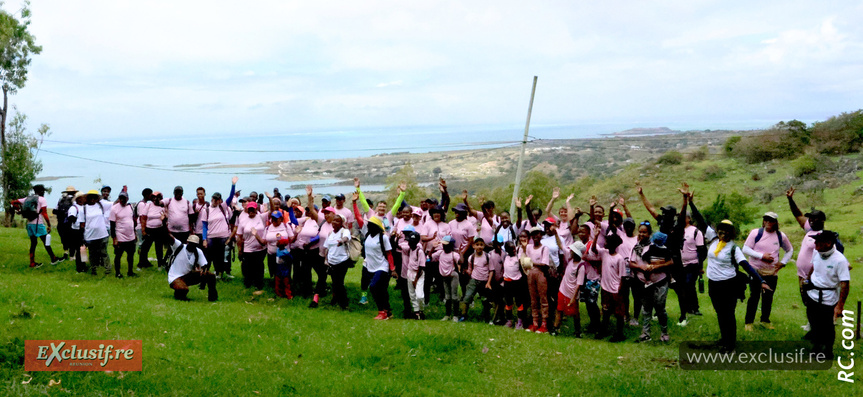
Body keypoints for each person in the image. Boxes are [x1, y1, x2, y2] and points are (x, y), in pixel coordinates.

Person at [706, 220, 771, 353]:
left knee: (728, 315)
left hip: (728, 284)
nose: (723, 235)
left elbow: (746, 266)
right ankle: (725, 339)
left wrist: (761, 281)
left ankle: (730, 345)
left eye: (727, 233)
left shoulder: (733, 248)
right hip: (713, 283)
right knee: (720, 313)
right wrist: (689, 202)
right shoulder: (713, 241)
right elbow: (701, 221)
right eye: (721, 232)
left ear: (731, 234)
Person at [785, 186, 843, 331]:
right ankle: (812, 325)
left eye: (814, 218)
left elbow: (834, 254)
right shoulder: (809, 230)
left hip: (815, 275)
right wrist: (790, 199)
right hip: (802, 275)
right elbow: (797, 215)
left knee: (818, 302)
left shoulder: (824, 236)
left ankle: (825, 325)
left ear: (822, 220)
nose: (811, 220)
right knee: (808, 301)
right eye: (810, 217)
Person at [742, 211, 794, 331]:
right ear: (763, 221)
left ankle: (765, 320)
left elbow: (789, 250)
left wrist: (783, 262)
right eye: (766, 220)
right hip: (756, 270)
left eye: (771, 220)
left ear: (776, 222)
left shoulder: (780, 236)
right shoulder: (756, 233)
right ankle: (749, 322)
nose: (768, 223)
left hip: (771, 272)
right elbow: (745, 248)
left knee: (768, 297)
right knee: (754, 296)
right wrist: (761, 256)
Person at [803, 231, 851, 358]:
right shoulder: (817, 253)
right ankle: (817, 346)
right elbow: (813, 267)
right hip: (813, 293)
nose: (815, 244)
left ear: (828, 243)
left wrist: (840, 306)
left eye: (818, 242)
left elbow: (845, 283)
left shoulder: (839, 260)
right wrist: (807, 281)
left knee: (827, 326)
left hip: (828, 297)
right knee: (814, 322)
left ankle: (827, 350)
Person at [630, 230, 672, 342]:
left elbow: (670, 262)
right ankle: (646, 333)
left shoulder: (665, 250)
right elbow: (640, 260)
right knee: (646, 308)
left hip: (660, 281)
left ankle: (664, 332)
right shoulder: (645, 248)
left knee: (660, 307)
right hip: (646, 282)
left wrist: (656, 267)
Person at [589, 224, 627, 342]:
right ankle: (603, 331)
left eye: (607, 242)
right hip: (605, 288)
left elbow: (623, 276)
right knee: (605, 310)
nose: (604, 243)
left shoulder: (619, 259)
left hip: (615, 290)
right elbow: (594, 249)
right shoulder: (604, 253)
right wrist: (595, 237)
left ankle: (619, 334)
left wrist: (620, 289)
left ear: (613, 245)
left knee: (618, 313)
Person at [13, 184, 62, 267]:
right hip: (38, 224)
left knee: (33, 243)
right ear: (41, 191)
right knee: (46, 241)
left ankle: (32, 262)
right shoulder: (42, 199)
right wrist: (49, 224)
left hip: (29, 224)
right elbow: (44, 213)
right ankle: (53, 259)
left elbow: (13, 202)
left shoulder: (27, 198)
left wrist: (18, 210)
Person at [358, 216, 395, 319]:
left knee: (373, 287)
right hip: (370, 267)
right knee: (382, 290)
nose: (368, 226)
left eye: (371, 225)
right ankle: (388, 311)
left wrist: (392, 269)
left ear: (376, 226)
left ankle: (381, 312)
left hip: (382, 266)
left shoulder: (383, 238)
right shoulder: (367, 236)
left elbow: (389, 253)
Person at [201, 177, 238, 279]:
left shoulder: (223, 207)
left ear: (219, 200)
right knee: (209, 256)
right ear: (211, 199)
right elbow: (204, 226)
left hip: (223, 237)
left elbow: (230, 197)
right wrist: (204, 239)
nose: (215, 201)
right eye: (214, 199)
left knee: (221, 256)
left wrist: (233, 185)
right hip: (211, 237)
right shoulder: (206, 210)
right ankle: (205, 273)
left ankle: (219, 273)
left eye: (217, 199)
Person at [167, 235, 217, 302]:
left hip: (187, 276)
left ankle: (212, 297)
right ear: (187, 242)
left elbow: (204, 264)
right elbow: (170, 237)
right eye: (191, 244)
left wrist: (203, 270)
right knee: (183, 289)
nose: (192, 246)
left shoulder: (198, 252)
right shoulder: (179, 246)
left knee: (210, 276)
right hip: (175, 277)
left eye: (194, 245)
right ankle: (179, 294)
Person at [553, 241, 587, 337]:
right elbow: (561, 245)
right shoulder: (570, 260)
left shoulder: (581, 266)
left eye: (573, 251)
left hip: (572, 293)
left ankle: (577, 331)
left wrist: (573, 298)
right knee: (559, 309)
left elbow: (579, 284)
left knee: (575, 313)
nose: (570, 252)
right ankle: (556, 328)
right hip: (563, 289)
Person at [459, 238, 494, 323]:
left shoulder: (487, 256)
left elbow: (491, 270)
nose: (479, 247)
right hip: (474, 280)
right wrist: (466, 271)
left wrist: (488, 282)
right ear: (473, 246)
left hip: (484, 281)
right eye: (477, 245)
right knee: (467, 297)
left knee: (485, 300)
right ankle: (463, 316)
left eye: (481, 245)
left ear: (484, 246)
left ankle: (487, 317)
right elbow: (470, 269)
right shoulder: (471, 257)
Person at [322, 214, 352, 310]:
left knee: (339, 282)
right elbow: (327, 247)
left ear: (341, 223)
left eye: (337, 221)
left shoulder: (345, 231)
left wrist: (342, 241)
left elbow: (346, 238)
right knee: (335, 282)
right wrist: (326, 259)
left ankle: (344, 303)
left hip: (342, 261)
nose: (334, 222)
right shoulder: (330, 233)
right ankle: (335, 299)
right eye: (334, 220)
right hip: (331, 262)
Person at [237, 201, 267, 292]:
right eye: (249, 209)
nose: (251, 211)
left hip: (260, 248)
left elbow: (272, 211)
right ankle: (248, 284)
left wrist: (270, 199)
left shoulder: (261, 217)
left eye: (253, 209)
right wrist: (240, 250)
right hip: (248, 248)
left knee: (259, 266)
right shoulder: (243, 220)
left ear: (256, 209)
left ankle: (259, 284)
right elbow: (239, 236)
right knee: (248, 267)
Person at [526, 226, 550, 333]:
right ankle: (535, 321)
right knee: (533, 298)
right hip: (530, 273)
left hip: (540, 274)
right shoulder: (529, 247)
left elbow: (544, 264)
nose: (535, 236)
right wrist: (529, 263)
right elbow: (525, 261)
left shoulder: (544, 248)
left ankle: (544, 322)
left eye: (538, 234)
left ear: (541, 235)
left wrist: (531, 263)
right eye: (533, 234)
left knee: (543, 298)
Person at [264, 210, 295, 294]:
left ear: (281, 219)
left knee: (284, 272)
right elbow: (265, 240)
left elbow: (291, 238)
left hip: (283, 254)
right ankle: (277, 290)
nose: (274, 221)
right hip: (272, 253)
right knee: (275, 272)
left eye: (276, 219)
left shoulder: (285, 226)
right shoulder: (268, 227)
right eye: (272, 219)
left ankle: (287, 290)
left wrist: (283, 241)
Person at [80, 190, 110, 275]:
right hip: (90, 235)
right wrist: (82, 237)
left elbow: (113, 204)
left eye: (94, 197)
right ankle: (94, 269)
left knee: (104, 252)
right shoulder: (84, 208)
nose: (93, 199)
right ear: (88, 198)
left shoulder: (100, 205)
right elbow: (82, 224)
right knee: (92, 254)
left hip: (102, 234)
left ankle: (108, 269)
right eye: (91, 197)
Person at [432, 236, 461, 321]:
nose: (444, 247)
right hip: (444, 277)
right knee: (447, 296)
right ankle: (447, 315)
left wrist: (461, 253)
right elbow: (430, 257)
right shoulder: (440, 253)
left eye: (446, 245)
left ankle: (455, 315)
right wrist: (433, 248)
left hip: (453, 275)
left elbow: (460, 262)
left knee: (454, 296)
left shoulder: (454, 254)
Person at [400, 230, 427, 319]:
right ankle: (416, 312)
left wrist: (416, 279)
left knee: (419, 295)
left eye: (411, 242)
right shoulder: (410, 249)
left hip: (418, 273)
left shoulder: (419, 251)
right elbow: (398, 246)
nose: (409, 243)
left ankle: (421, 310)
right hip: (410, 272)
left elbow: (421, 266)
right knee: (412, 294)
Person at [109, 192, 137, 278]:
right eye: (120, 198)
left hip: (131, 236)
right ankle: (117, 273)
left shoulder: (130, 207)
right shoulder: (114, 209)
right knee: (118, 256)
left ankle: (130, 271)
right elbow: (112, 225)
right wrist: (114, 238)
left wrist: (135, 233)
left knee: (131, 255)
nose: (122, 200)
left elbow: (133, 220)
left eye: (124, 198)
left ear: (127, 199)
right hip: (120, 236)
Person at [139, 191, 168, 269]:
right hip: (149, 229)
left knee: (159, 248)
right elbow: (143, 218)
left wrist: (164, 217)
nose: (155, 199)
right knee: (145, 247)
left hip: (159, 229)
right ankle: (141, 264)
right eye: (154, 197)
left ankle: (160, 264)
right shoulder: (148, 205)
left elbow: (167, 216)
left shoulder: (162, 207)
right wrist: (143, 230)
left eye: (157, 197)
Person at [54, 185, 78, 259]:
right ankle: (72, 255)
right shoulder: (75, 200)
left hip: (61, 223)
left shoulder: (61, 199)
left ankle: (65, 252)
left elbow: (55, 210)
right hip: (70, 223)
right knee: (72, 239)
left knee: (64, 238)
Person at [65, 192, 87, 272]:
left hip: (83, 229)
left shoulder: (83, 207)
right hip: (76, 231)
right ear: (78, 199)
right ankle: (79, 267)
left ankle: (83, 264)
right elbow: (71, 218)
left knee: (83, 248)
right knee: (79, 249)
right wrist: (77, 223)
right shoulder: (74, 208)